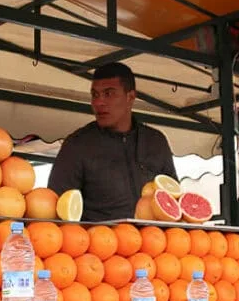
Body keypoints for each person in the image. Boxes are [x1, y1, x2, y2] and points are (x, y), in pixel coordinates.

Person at [49, 63, 177, 222]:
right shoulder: (77, 145)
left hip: (155, 242)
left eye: (108, 94)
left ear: (130, 97)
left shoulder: (156, 142)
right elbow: (55, 208)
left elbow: (174, 200)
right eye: (95, 95)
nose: (98, 103)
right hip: (100, 243)